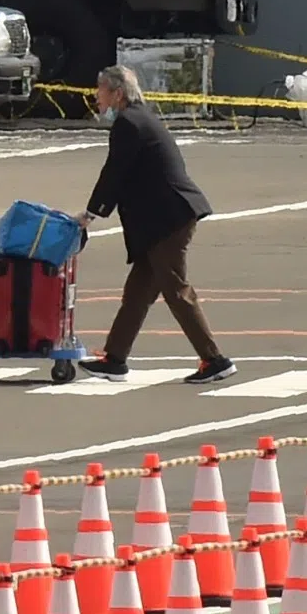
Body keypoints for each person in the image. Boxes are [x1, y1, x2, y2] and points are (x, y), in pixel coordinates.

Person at [74, 65, 235, 384]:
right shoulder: (140, 118)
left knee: (176, 289)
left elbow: (114, 173)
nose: (97, 96)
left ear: (117, 93)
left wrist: (91, 213)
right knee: (137, 292)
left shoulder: (129, 124)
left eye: (101, 90)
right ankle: (115, 358)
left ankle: (214, 360)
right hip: (160, 220)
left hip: (168, 219)